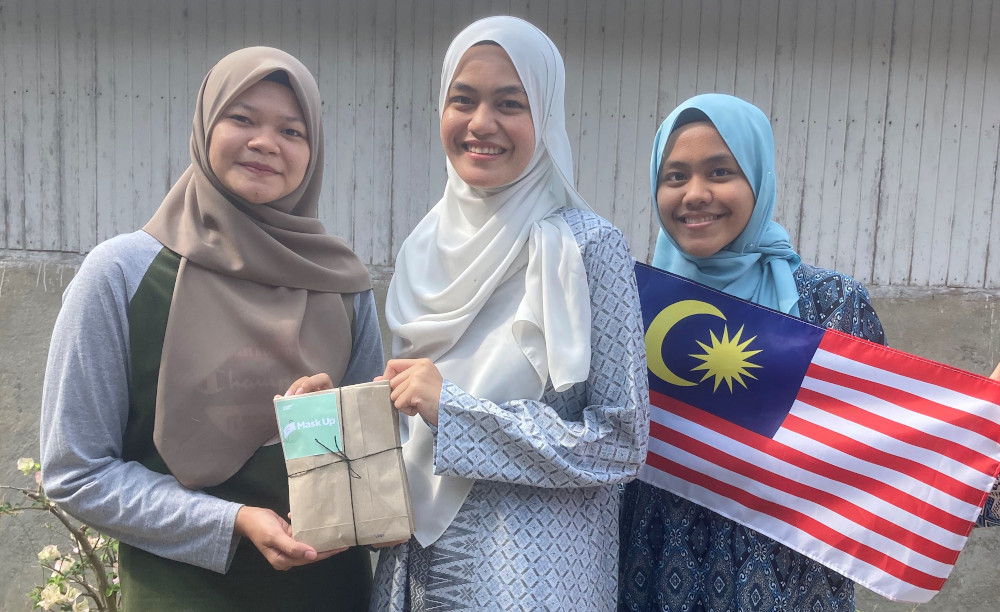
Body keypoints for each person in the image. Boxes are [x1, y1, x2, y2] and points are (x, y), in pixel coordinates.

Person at [39, 47, 380, 610]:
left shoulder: (342, 288)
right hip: (182, 593)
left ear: (313, 152)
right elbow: (76, 470)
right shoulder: (124, 275)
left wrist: (340, 428)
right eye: (242, 118)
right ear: (204, 126)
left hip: (328, 592)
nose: (266, 142)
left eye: (292, 131)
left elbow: (370, 472)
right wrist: (232, 522)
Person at [371, 16, 648, 611]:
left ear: (544, 117)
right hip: (413, 575)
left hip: (533, 581)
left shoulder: (587, 246)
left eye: (509, 103)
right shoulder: (422, 250)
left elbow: (621, 443)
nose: (481, 124)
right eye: (462, 100)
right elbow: (410, 429)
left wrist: (458, 412)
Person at [618, 94, 889, 611]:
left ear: (759, 181)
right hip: (647, 579)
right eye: (674, 177)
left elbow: (883, 454)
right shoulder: (630, 304)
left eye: (720, 172)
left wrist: (980, 425)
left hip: (785, 586)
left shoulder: (828, 304)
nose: (695, 194)